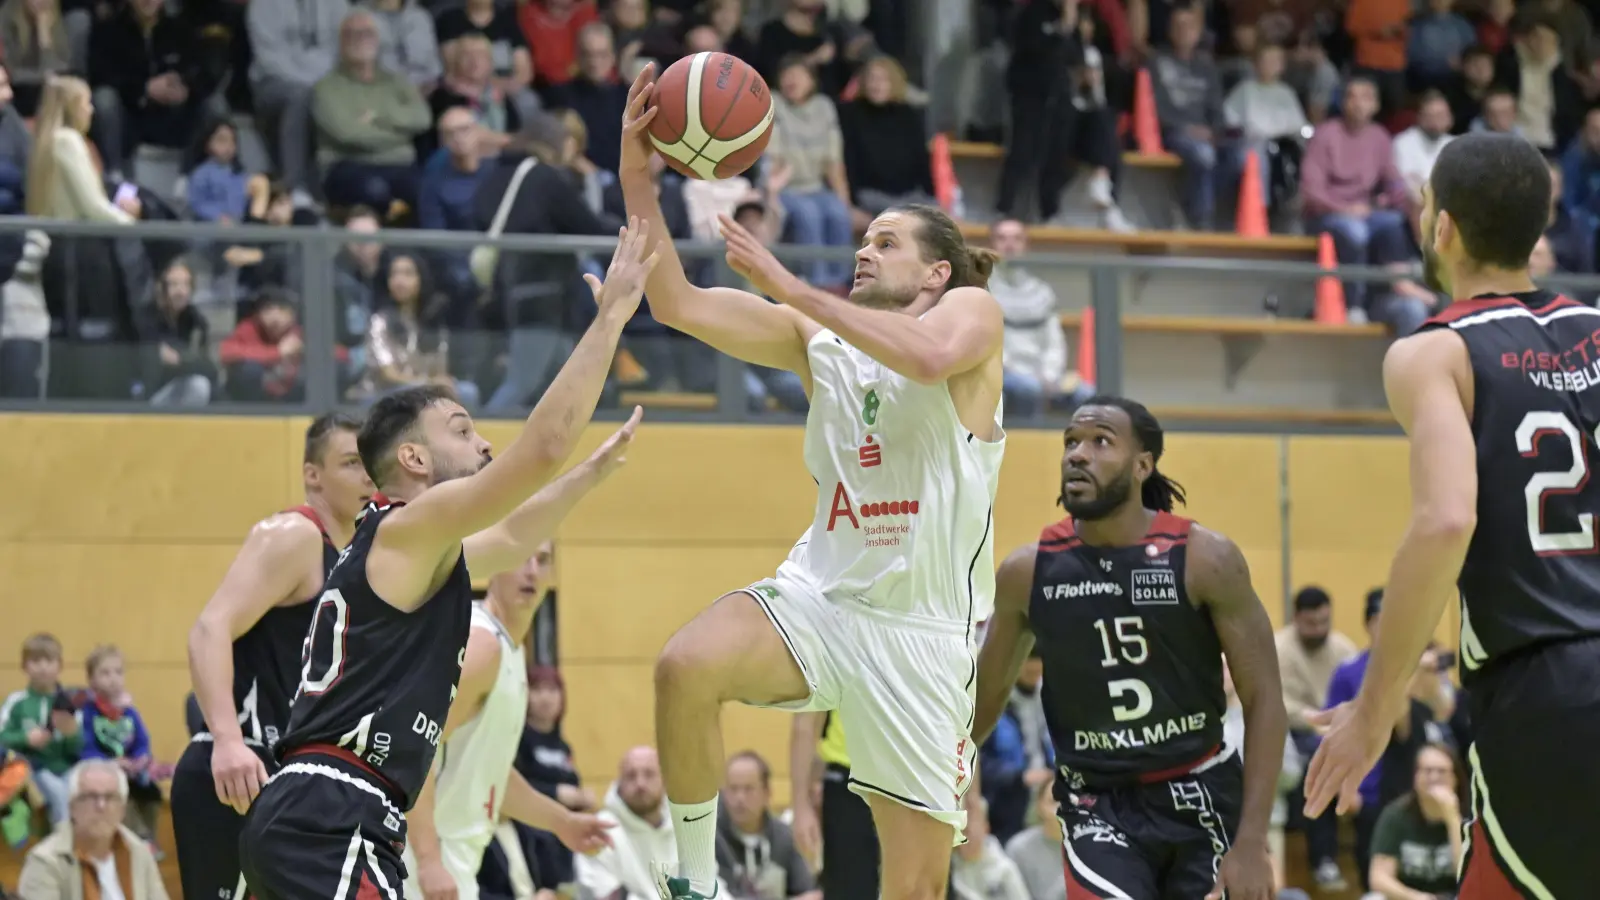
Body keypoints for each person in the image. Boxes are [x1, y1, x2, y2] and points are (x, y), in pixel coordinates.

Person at [618, 65, 1008, 900]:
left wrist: (794, 288)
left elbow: (930, 358)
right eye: (863, 240)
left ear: (938, 272)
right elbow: (677, 302)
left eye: (888, 241)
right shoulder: (817, 337)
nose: (865, 248)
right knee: (685, 666)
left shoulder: (972, 313)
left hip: (923, 632)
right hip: (822, 598)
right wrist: (635, 175)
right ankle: (695, 881)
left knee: (911, 889)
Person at [236, 219, 661, 899]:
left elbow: (515, 536)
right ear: (413, 458)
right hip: (334, 809)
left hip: (331, 810)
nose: (484, 445)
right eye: (463, 430)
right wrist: (610, 319)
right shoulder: (409, 525)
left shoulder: (410, 547)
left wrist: (590, 475)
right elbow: (540, 449)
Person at [1305, 132, 1598, 899]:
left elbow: (1444, 522)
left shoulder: (1434, 353)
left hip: (1544, 684)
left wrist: (1373, 714)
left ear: (1441, 227)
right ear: (1539, 229)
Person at [974, 397, 1286, 900]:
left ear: (1143, 465)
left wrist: (1252, 840)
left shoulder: (1204, 559)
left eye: (1101, 442)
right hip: (1097, 802)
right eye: (1071, 442)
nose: (1078, 454)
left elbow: (1265, 698)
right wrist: (940, 779)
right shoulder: (1028, 573)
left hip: (1201, 792)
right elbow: (983, 701)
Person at [172, 412, 372, 900]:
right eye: (349, 463)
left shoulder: (350, 560)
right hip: (238, 769)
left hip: (285, 782)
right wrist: (227, 740)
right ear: (312, 474)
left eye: (369, 465)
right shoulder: (294, 535)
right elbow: (207, 630)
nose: (366, 477)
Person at [404, 539, 608, 898]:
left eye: (542, 560)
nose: (531, 570)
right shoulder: (482, 647)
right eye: (520, 557)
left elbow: (490, 771)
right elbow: (412, 749)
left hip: (456, 861)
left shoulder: (512, 651)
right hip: (422, 860)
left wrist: (562, 822)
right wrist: (428, 860)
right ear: (494, 561)